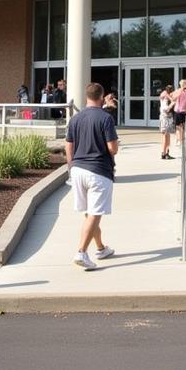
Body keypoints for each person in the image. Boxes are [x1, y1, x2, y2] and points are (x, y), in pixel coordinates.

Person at [66, 82, 119, 270]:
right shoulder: (106, 118)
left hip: (78, 170)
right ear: (102, 96)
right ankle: (81, 251)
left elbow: (69, 145)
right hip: (99, 170)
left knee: (89, 214)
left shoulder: (75, 118)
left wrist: (71, 166)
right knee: (95, 214)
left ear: (86, 96)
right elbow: (113, 148)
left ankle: (101, 247)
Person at [173, 79, 186, 143]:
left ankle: (178, 139)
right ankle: (181, 138)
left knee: (178, 125)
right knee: (182, 125)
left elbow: (173, 99)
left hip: (178, 110)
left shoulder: (177, 91)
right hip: (183, 110)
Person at [159, 84, 176, 159]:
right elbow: (173, 102)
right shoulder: (166, 95)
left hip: (163, 115)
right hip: (166, 116)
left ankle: (165, 152)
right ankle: (164, 153)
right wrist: (169, 108)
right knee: (166, 135)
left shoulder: (163, 94)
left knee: (165, 135)